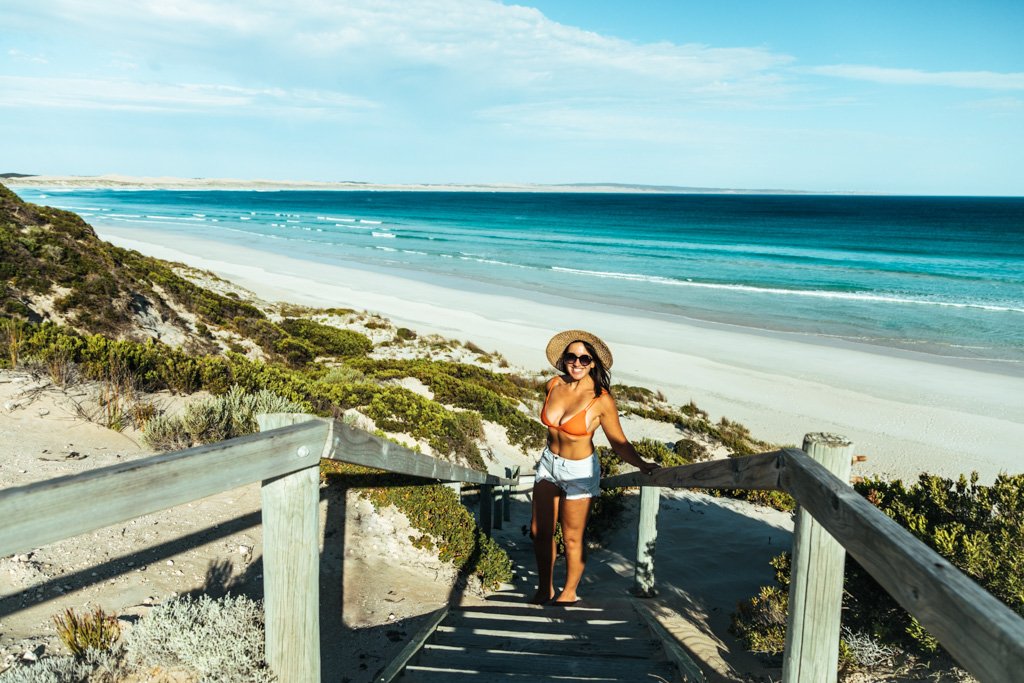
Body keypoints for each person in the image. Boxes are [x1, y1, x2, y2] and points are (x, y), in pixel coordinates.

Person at [531, 329, 659, 605]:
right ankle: (545, 589)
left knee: (572, 538)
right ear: (563, 359)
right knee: (539, 531)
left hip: (579, 471)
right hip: (549, 464)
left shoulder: (601, 400)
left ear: (593, 363)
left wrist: (642, 464)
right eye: (572, 357)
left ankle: (569, 592)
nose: (577, 363)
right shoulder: (553, 384)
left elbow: (618, 442)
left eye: (584, 358)